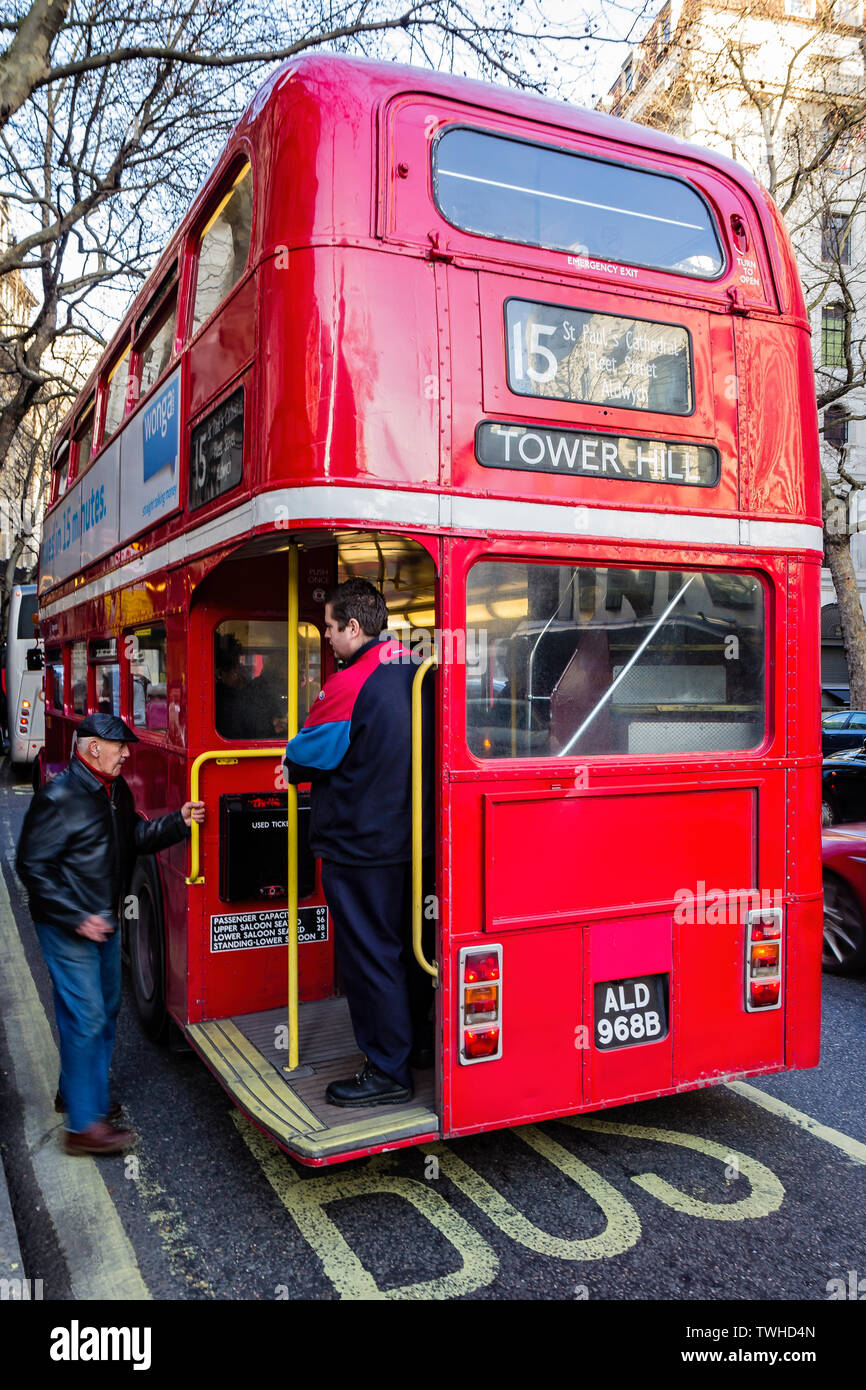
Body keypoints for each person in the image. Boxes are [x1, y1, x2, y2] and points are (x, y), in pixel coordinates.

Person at [16, 712, 205, 1155]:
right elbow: (32, 866)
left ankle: (79, 1095)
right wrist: (76, 915)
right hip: (70, 926)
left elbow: (134, 838)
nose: (126, 754)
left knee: (106, 1008)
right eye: (119, 746)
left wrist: (178, 821)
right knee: (87, 1016)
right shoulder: (58, 795)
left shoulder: (113, 790)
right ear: (92, 747)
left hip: (105, 920)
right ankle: (84, 1127)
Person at [283, 578, 433, 1107]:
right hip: (416, 845)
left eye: (329, 626)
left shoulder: (350, 681)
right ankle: (414, 1049)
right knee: (411, 951)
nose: (325, 636)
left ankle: (387, 1070)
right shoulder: (420, 669)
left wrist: (288, 765)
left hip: (360, 846)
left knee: (370, 956)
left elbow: (308, 752)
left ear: (354, 626)